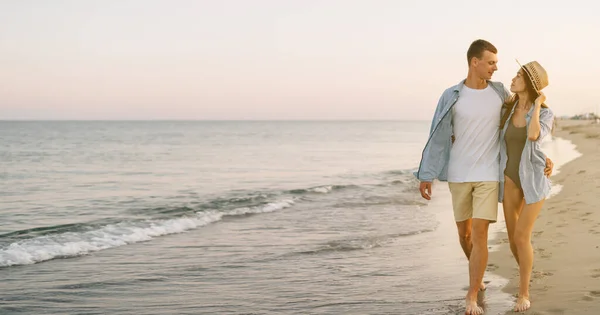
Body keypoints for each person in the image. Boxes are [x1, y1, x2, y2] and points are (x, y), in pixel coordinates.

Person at [413, 39, 553, 315]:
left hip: (490, 173)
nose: (496, 68)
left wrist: (543, 157)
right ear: (474, 62)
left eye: (497, 63)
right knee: (464, 235)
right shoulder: (451, 95)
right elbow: (438, 137)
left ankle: (473, 293)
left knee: (480, 233)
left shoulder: (499, 93)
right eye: (490, 63)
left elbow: (529, 131)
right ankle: (478, 273)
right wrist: (426, 174)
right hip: (458, 173)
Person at [498, 60, 553, 312]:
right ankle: (528, 272)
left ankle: (524, 293)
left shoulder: (545, 113)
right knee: (512, 240)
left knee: (522, 236)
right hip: (510, 177)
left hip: (533, 178)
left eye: (519, 76)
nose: (513, 78)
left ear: (529, 84)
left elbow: (534, 136)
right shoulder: (507, 108)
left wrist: (538, 103)